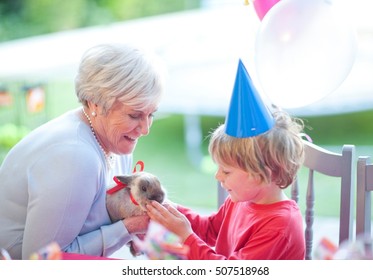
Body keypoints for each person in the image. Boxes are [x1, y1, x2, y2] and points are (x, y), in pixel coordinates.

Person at [0, 43, 164, 259]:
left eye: (151, 114)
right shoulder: (75, 158)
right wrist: (130, 227)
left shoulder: (113, 141)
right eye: (134, 116)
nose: (145, 129)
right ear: (95, 104)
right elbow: (42, 261)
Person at [146, 60, 306, 260]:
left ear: (262, 173)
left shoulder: (279, 226)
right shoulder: (242, 198)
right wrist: (170, 209)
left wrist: (186, 237)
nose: (217, 175)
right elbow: (211, 229)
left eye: (226, 171)